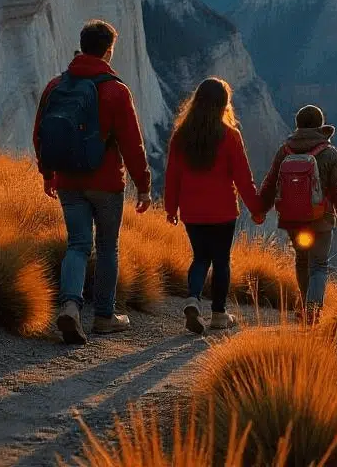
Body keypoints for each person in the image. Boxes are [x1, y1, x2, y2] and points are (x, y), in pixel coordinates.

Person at [34, 20, 152, 345]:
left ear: (82, 45)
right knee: (107, 247)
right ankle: (104, 317)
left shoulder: (55, 86)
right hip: (106, 183)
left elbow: (40, 135)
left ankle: (70, 306)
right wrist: (143, 185)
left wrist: (48, 174)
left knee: (77, 244)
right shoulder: (116, 90)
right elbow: (132, 143)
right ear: (109, 51)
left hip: (68, 180)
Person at [163, 77, 263, 333]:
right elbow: (243, 178)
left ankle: (193, 299)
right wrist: (256, 209)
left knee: (199, 258)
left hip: (192, 212)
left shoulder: (181, 136)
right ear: (223, 104)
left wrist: (171, 208)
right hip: (222, 212)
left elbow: (172, 175)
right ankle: (219, 314)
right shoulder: (230, 136)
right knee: (221, 261)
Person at [257, 105, 337, 321]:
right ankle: (312, 307)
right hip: (321, 219)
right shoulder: (329, 154)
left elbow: (271, 183)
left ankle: (304, 305)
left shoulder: (285, 151)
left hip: (293, 220)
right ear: (320, 126)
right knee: (318, 264)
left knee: (301, 260)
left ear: (297, 125)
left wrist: (260, 210)